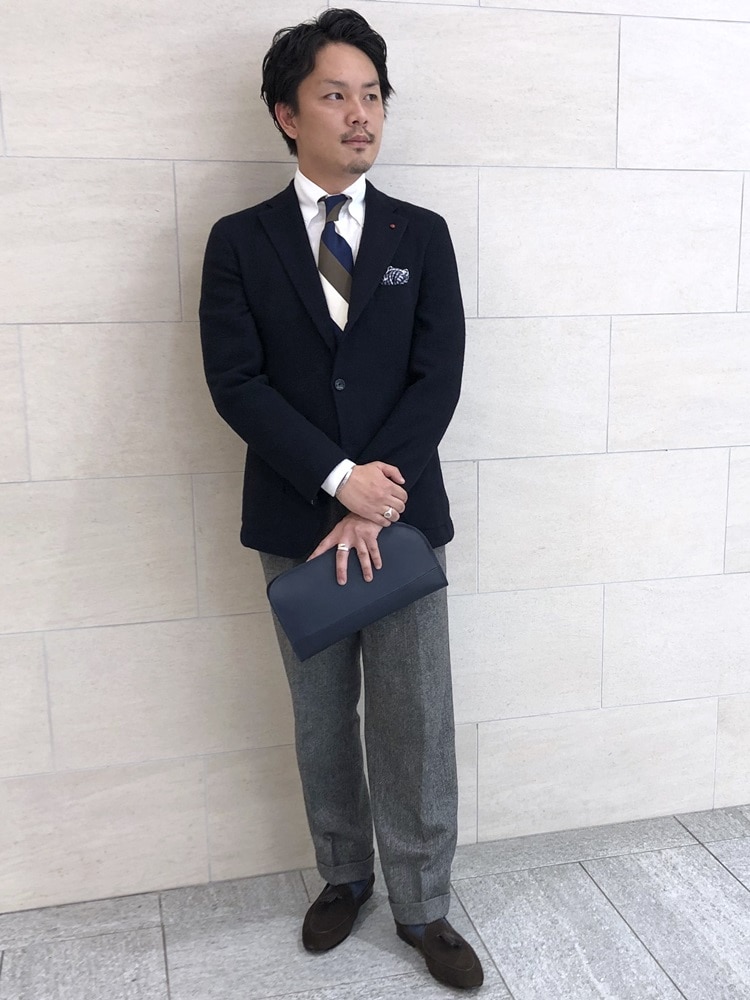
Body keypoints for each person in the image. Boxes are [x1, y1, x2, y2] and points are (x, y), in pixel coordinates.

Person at [199, 8, 482, 991]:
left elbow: (437, 375)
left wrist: (374, 493)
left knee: (416, 718)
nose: (361, 114)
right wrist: (335, 480)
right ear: (288, 113)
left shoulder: (421, 234)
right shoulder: (238, 242)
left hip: (401, 520)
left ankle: (424, 902)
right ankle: (344, 874)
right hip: (296, 519)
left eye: (373, 95)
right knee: (321, 716)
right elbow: (237, 383)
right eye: (336, 95)